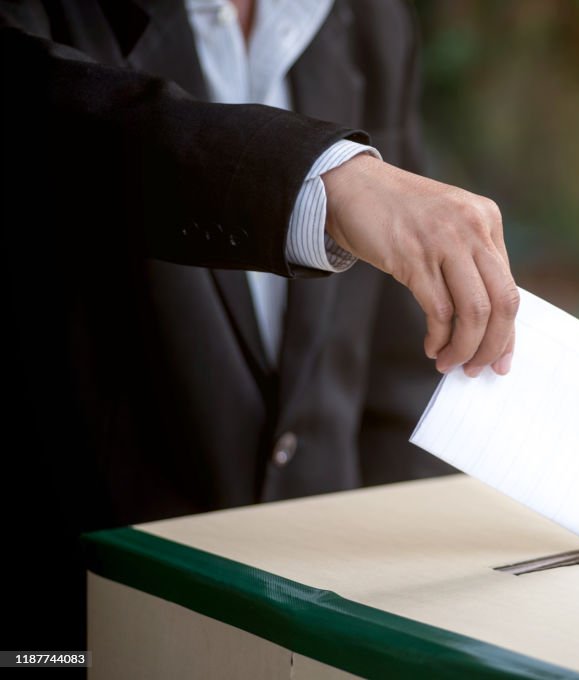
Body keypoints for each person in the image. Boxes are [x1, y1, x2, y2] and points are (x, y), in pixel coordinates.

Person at [0, 0, 518, 650]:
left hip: (320, 628)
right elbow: (46, 116)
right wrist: (326, 181)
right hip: (92, 632)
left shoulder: (368, 18)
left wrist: (404, 618)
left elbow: (398, 375)